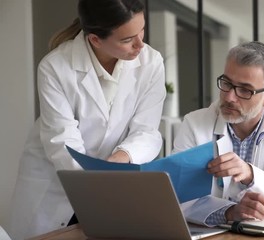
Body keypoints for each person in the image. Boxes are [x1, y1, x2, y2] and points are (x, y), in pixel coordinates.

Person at [8, 0, 165, 239]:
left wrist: (119, 160)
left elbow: (147, 131)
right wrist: (99, 181)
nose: (140, 44)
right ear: (95, 40)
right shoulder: (55, 67)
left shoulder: (151, 63)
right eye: (127, 39)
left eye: (142, 30)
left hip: (111, 182)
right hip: (56, 182)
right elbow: (63, 142)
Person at [173, 42, 264, 226]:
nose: (229, 97)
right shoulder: (195, 123)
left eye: (245, 90)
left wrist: (250, 174)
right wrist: (230, 212)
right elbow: (178, 196)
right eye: (226, 83)